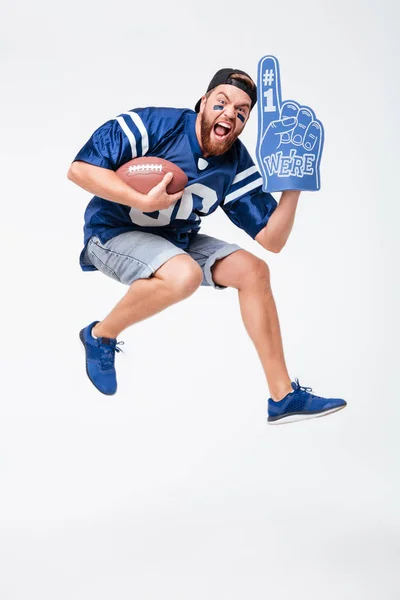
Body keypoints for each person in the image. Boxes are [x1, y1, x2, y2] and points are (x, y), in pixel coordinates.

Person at [68, 68, 347, 424]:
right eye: (222, 102)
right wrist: (138, 197)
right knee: (182, 274)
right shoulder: (154, 125)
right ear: (203, 103)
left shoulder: (234, 162)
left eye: (242, 112)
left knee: (254, 270)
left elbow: (271, 240)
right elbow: (79, 170)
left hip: (174, 240)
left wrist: (295, 183)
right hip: (111, 234)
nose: (231, 113)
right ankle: (100, 335)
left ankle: (283, 397)